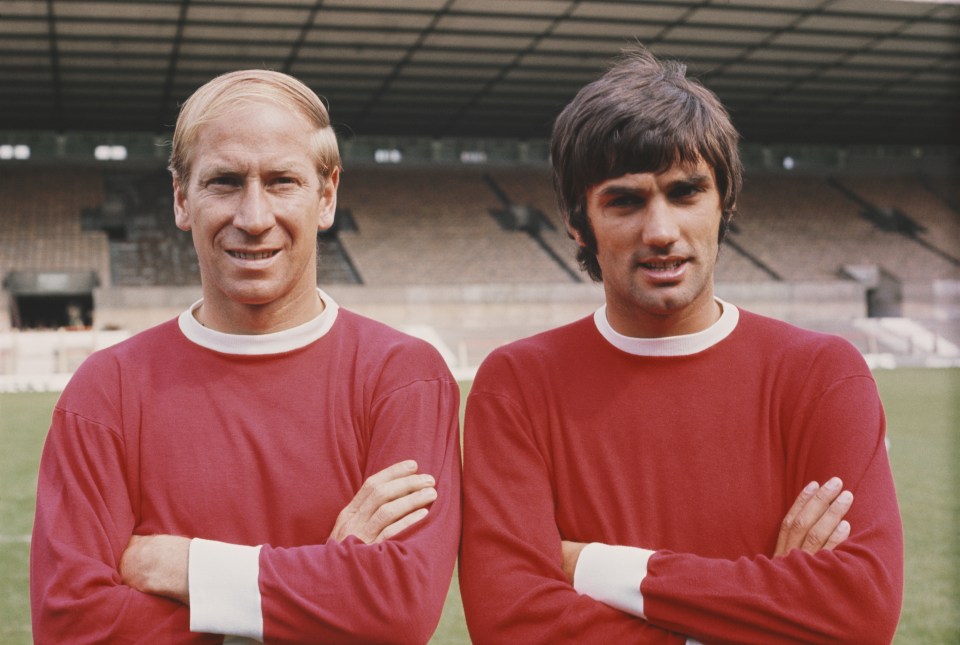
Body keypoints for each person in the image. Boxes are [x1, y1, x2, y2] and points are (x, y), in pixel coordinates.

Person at [459, 46, 903, 644]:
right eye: (625, 199)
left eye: (686, 192)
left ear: (725, 203)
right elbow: (510, 620)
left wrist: (591, 566)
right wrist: (764, 607)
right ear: (575, 221)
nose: (661, 231)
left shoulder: (822, 374)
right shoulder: (516, 382)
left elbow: (859, 609)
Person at [31, 69, 461, 644]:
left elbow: (398, 608)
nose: (254, 218)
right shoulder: (105, 390)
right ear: (182, 198)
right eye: (225, 182)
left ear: (327, 195)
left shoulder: (404, 377)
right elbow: (70, 626)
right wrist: (325, 584)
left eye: (282, 181)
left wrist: (187, 569)